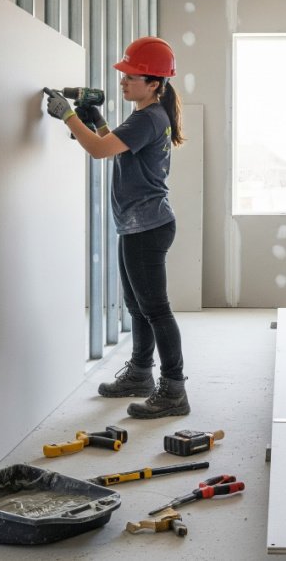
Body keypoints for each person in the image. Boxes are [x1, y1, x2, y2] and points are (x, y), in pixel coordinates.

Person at [44, 37, 188, 419]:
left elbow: (99, 150)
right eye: (123, 76)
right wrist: (96, 122)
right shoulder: (146, 115)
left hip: (147, 226)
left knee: (155, 309)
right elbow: (115, 143)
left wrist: (68, 116)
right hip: (139, 224)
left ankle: (174, 391)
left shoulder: (148, 117)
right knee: (137, 307)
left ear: (154, 83)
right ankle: (141, 374)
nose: (123, 82)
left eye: (131, 77)